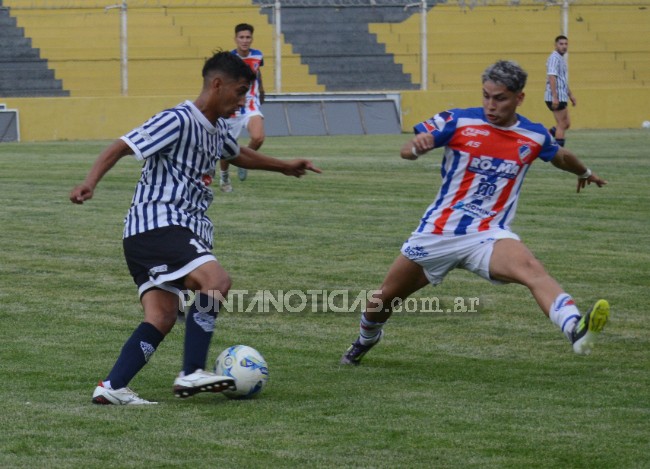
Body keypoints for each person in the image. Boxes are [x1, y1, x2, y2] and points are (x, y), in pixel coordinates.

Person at [70, 51, 320, 405]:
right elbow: (122, 146)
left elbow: (238, 154)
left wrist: (284, 166)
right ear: (217, 84)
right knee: (215, 281)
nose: (243, 100)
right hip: (159, 223)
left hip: (152, 234)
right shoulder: (178, 119)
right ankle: (191, 372)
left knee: (161, 316)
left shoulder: (217, 129)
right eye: (240, 91)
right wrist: (90, 183)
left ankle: (111, 387)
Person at [341, 60, 609, 366]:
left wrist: (585, 172)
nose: (490, 105)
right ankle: (366, 339)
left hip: (488, 235)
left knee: (532, 269)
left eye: (500, 98)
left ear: (519, 98)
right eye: (486, 96)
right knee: (383, 299)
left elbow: (560, 156)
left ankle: (575, 329)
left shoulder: (532, 136)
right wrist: (417, 147)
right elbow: (406, 150)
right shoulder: (457, 121)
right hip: (437, 234)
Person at [220, 23, 266, 193]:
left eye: (248, 37)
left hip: (251, 104)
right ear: (235, 39)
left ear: (252, 39)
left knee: (258, 137)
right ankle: (224, 176)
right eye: (241, 37)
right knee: (226, 146)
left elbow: (258, 73)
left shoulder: (258, 55)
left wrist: (261, 89)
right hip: (233, 107)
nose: (245, 40)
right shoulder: (229, 59)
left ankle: (243, 161)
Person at [545, 35, 577, 147]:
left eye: (566, 44)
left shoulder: (560, 59)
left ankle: (545, 138)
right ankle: (559, 151)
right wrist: (554, 97)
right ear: (556, 45)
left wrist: (570, 95)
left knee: (566, 124)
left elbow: (562, 80)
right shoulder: (554, 58)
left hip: (562, 96)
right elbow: (552, 77)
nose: (564, 46)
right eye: (561, 44)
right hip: (555, 97)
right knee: (561, 124)